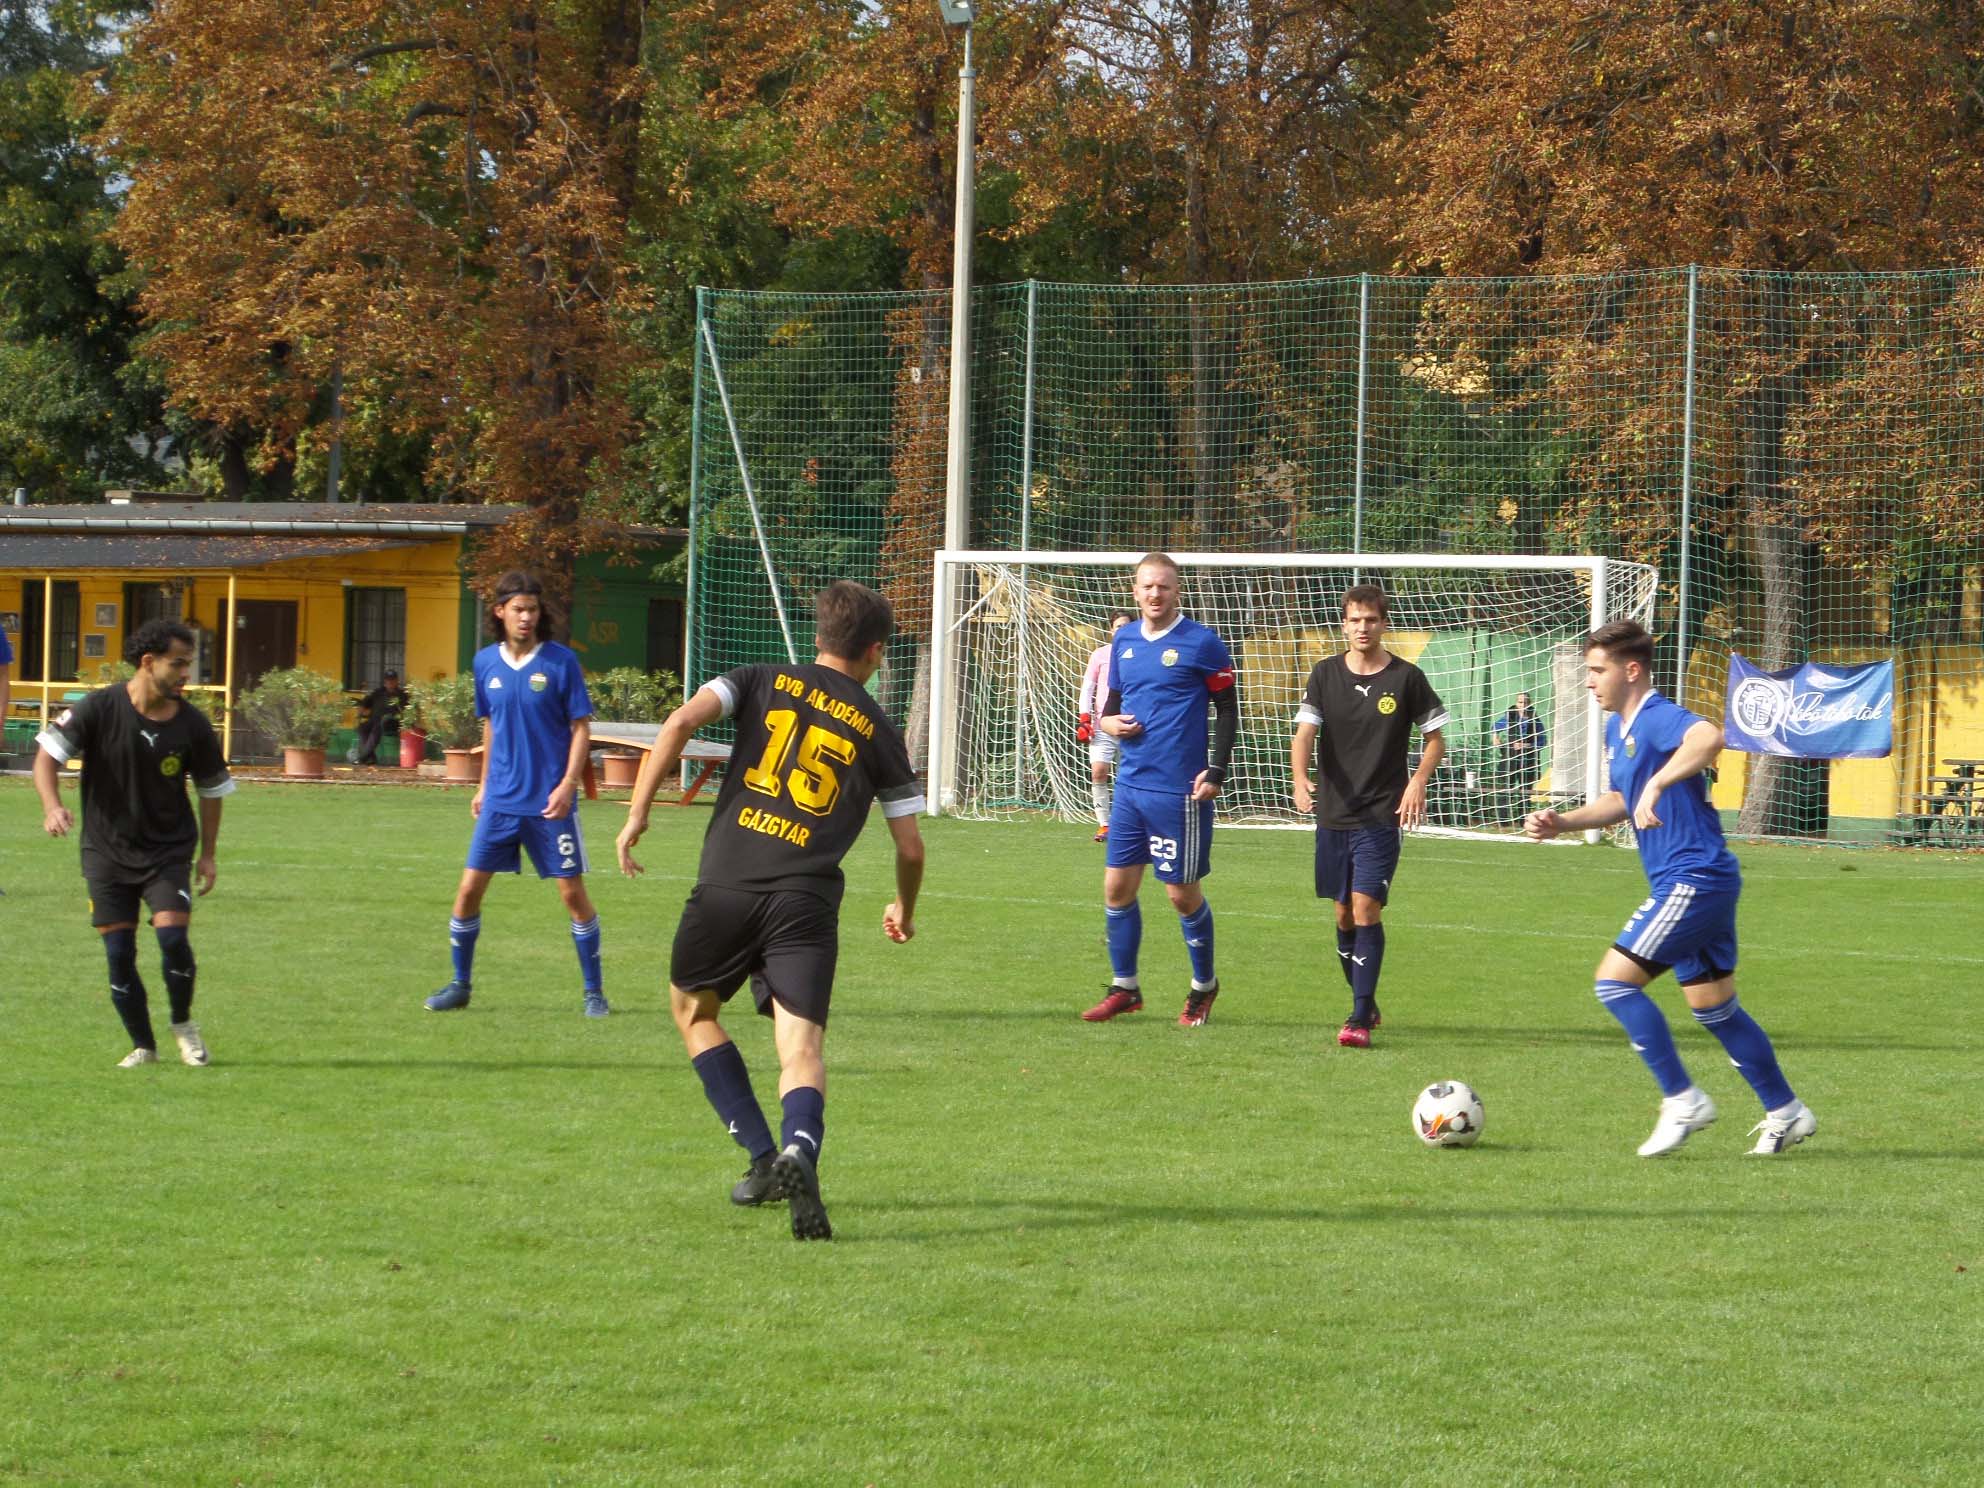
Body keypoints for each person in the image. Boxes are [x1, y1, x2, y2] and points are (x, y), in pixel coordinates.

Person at [616, 580, 925, 1242]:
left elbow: (679, 722)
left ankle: (761, 1156)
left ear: (818, 637)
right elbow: (910, 846)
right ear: (876, 651)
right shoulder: (880, 729)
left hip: (728, 885)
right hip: (806, 902)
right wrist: (903, 904)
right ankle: (797, 1151)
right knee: (801, 1048)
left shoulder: (758, 679)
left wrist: (638, 812)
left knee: (693, 1012)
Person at [1525, 619, 1816, 1157]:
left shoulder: (1657, 716)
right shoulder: (1618, 730)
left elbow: (1709, 737)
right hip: (1699, 879)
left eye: (1597, 670)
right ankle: (1787, 1111)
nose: (1589, 681)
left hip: (1693, 878)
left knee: (1614, 984)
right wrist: (1562, 822)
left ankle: (1682, 1100)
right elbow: (1622, 798)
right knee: (1714, 1009)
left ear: (1632, 670)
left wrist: (1660, 782)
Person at [32, 618, 233, 1067]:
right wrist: (52, 806)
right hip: (106, 852)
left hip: (167, 851)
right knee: (119, 953)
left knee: (173, 938)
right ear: (148, 662)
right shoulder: (99, 708)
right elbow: (46, 757)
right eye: (178, 663)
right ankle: (144, 1046)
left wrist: (208, 854)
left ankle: (183, 1024)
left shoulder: (193, 725)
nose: (186, 674)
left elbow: (212, 789)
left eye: (189, 664)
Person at [424, 572, 608, 1017]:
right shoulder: (485, 663)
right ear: (500, 612)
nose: (526, 617)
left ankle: (594, 993)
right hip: (501, 802)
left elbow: (581, 728)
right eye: (519, 609)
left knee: (572, 895)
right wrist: (484, 785)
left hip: (550, 804)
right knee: (468, 890)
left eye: (533, 609)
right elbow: (491, 726)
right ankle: (460, 985)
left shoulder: (561, 662)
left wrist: (567, 785)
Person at [1289, 584, 1448, 1049]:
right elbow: (1304, 733)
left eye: (1371, 620)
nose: (1363, 628)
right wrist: (1299, 778)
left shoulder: (1406, 678)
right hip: (1333, 812)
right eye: (1355, 620)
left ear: (1383, 624)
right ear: (1344, 625)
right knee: (1342, 915)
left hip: (1381, 813)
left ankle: (1358, 1016)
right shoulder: (1325, 673)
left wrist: (1417, 780)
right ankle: (1366, 1000)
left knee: (1365, 908)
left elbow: (1436, 738)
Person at [1082, 553, 1236, 1027]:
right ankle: (1125, 987)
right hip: (1131, 787)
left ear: (1177, 591)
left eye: (1163, 587)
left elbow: (1228, 709)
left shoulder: (1202, 643)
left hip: (1179, 791)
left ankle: (1203, 986)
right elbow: (1111, 704)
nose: (1155, 594)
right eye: (1147, 586)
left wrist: (1216, 770)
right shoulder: (1124, 640)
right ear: (1135, 591)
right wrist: (1108, 722)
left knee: (1181, 895)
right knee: (1116, 889)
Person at [1076, 612, 1134, 842]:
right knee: (1098, 772)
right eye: (1118, 626)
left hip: (1131, 725)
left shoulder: (1140, 654)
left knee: (1129, 777)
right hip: (1102, 725)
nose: (1122, 630)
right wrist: (1084, 719)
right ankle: (1104, 824)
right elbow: (1087, 688)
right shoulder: (1100, 655)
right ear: (1111, 630)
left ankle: (1128, 823)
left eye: (1126, 626)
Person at [1492, 690, 1547, 818]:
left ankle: (1523, 819)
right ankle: (1503, 820)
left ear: (1530, 703)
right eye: (1520, 702)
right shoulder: (1510, 717)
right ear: (1516, 703)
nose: (1523, 705)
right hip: (1510, 759)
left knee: (1525, 791)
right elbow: (1495, 726)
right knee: (1506, 788)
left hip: (1528, 761)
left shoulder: (1535, 720)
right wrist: (1495, 737)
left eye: (1525, 702)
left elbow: (1542, 741)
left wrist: (1526, 745)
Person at [349, 669, 408, 765]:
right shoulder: (378, 692)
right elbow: (366, 701)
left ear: (397, 681)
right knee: (362, 728)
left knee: (377, 727)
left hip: (392, 723)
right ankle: (371, 757)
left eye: (392, 680)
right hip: (374, 720)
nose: (390, 682)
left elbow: (405, 711)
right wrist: (362, 707)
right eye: (388, 680)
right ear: (385, 681)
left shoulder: (402, 695)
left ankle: (362, 758)